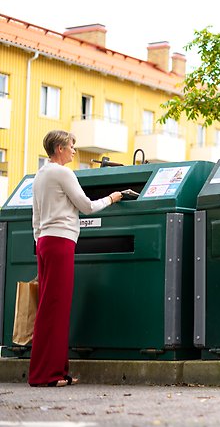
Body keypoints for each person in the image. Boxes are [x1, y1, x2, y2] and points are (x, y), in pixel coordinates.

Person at [29, 130, 122, 387]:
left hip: (46, 243)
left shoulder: (40, 175)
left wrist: (40, 246)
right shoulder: (62, 173)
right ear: (59, 148)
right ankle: (46, 375)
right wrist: (113, 198)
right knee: (57, 309)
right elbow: (87, 206)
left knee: (49, 308)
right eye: (71, 146)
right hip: (60, 243)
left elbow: (36, 218)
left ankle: (55, 371)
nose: (73, 150)